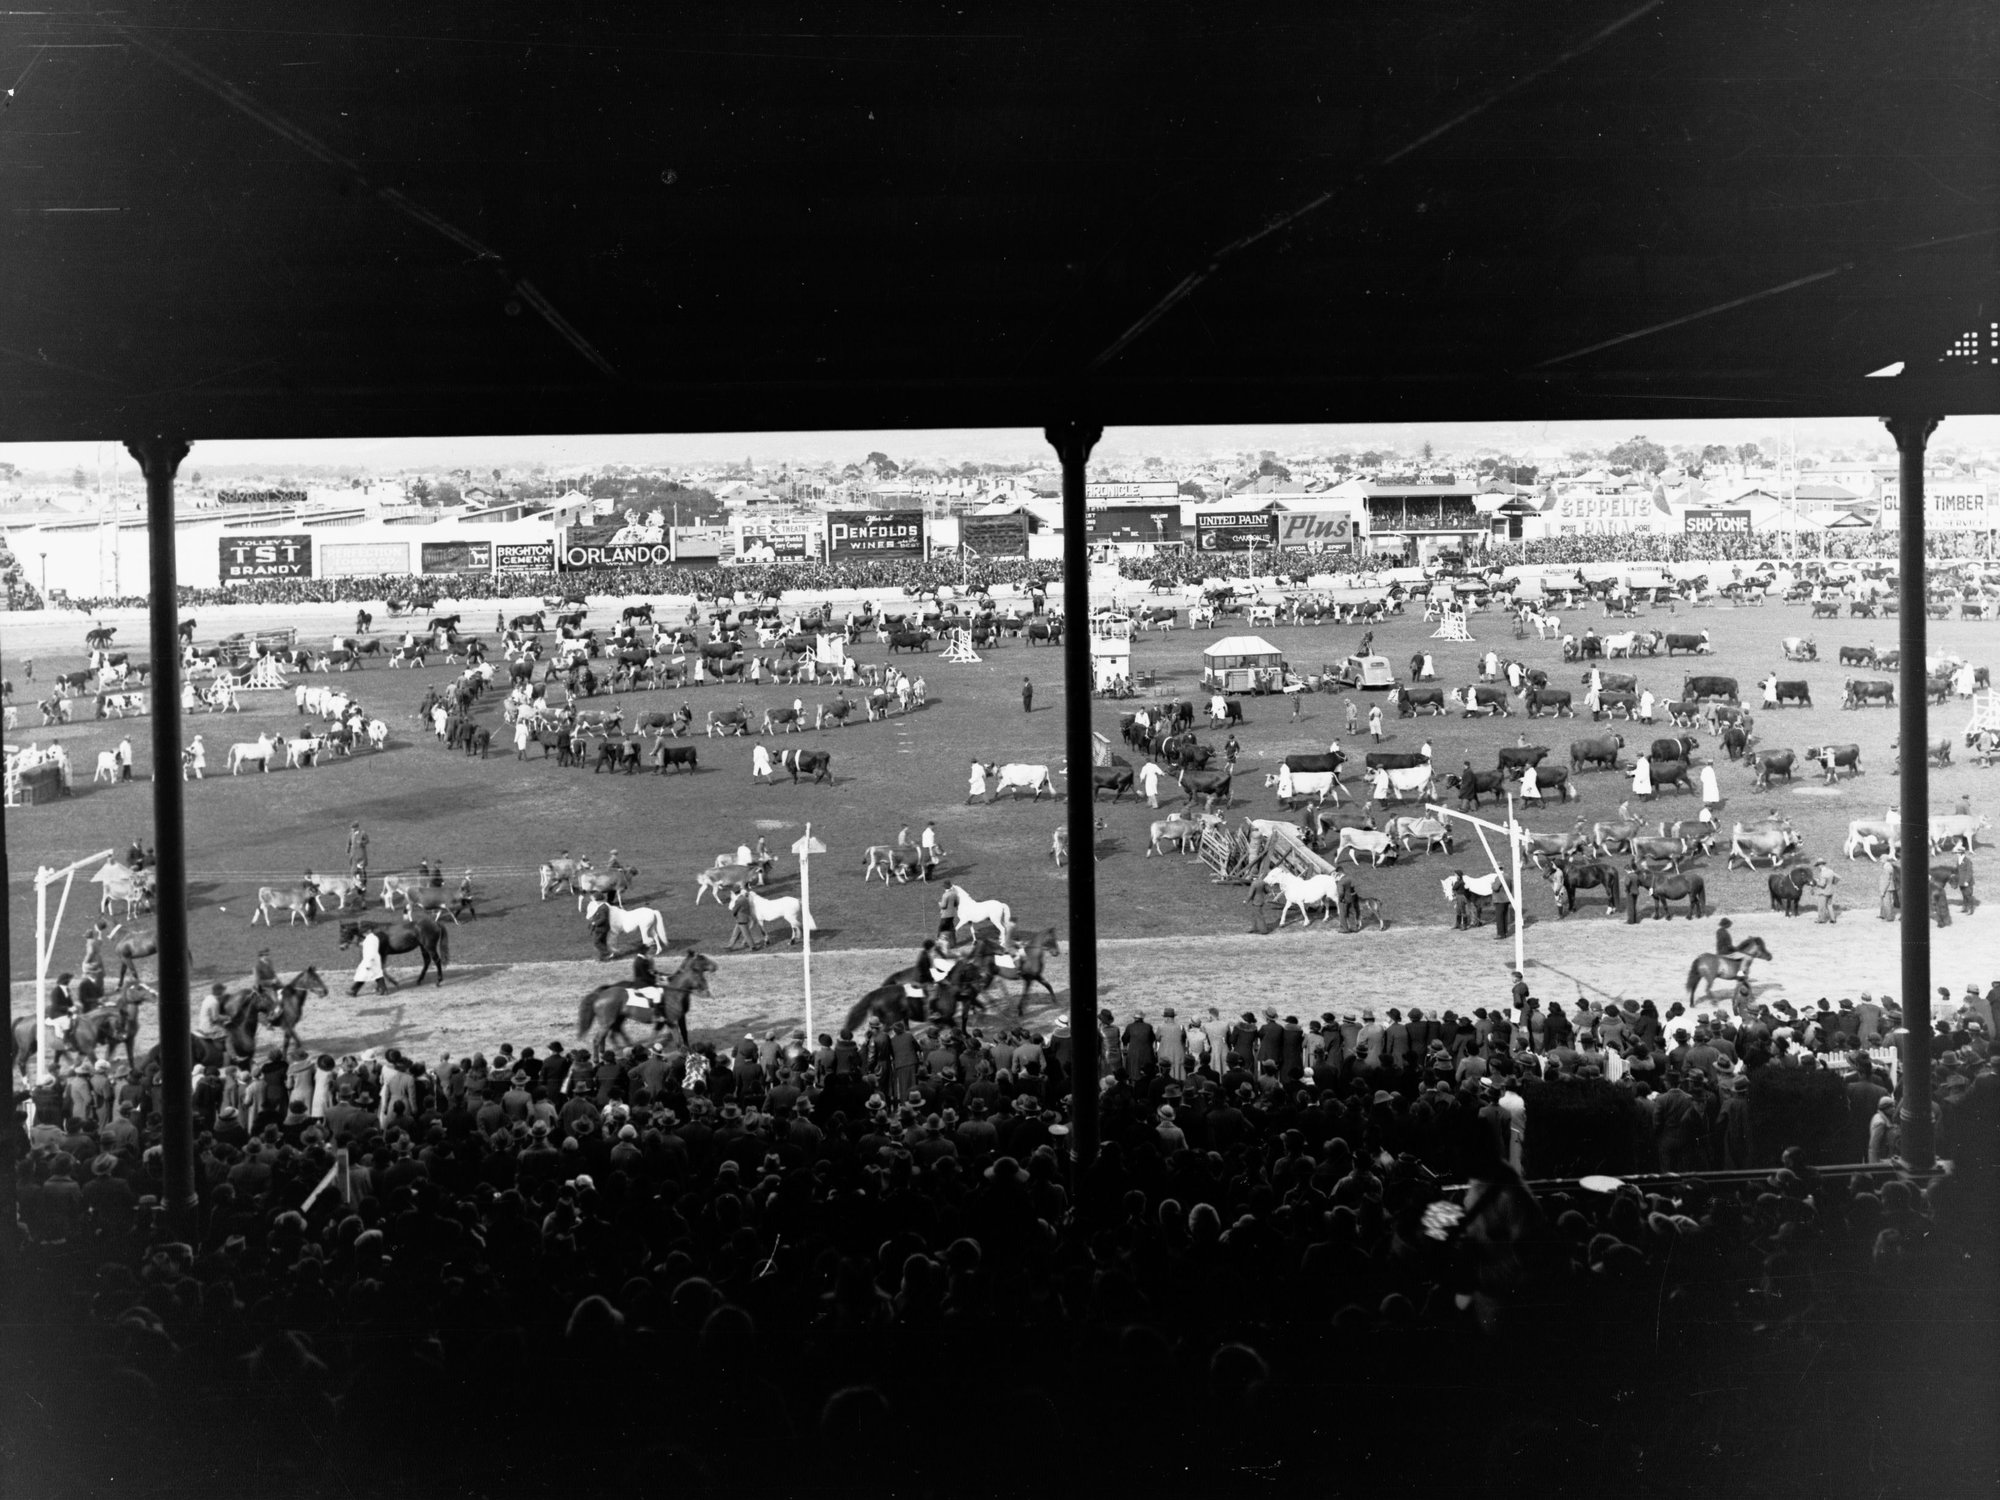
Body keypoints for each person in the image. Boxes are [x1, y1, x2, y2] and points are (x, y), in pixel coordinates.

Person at [1878, 853, 1901, 922]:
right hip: (1885, 887)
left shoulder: (1888, 868)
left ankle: (1889, 918)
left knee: (1887, 902)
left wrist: (1883, 891)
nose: (1880, 861)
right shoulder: (1886, 866)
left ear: (1885, 860)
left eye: (1881, 859)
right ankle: (1883, 915)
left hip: (1887, 888)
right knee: (1883, 902)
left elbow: (1886, 880)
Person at [1957, 840, 1976, 914]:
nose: (1956, 854)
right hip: (1961, 881)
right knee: (1964, 895)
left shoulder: (1967, 861)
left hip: (1967, 882)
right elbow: (1958, 870)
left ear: (1961, 853)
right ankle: (1965, 908)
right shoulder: (1958, 860)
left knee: (1968, 895)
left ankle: (1971, 910)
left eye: (1957, 853)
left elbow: (1969, 872)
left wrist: (1966, 881)